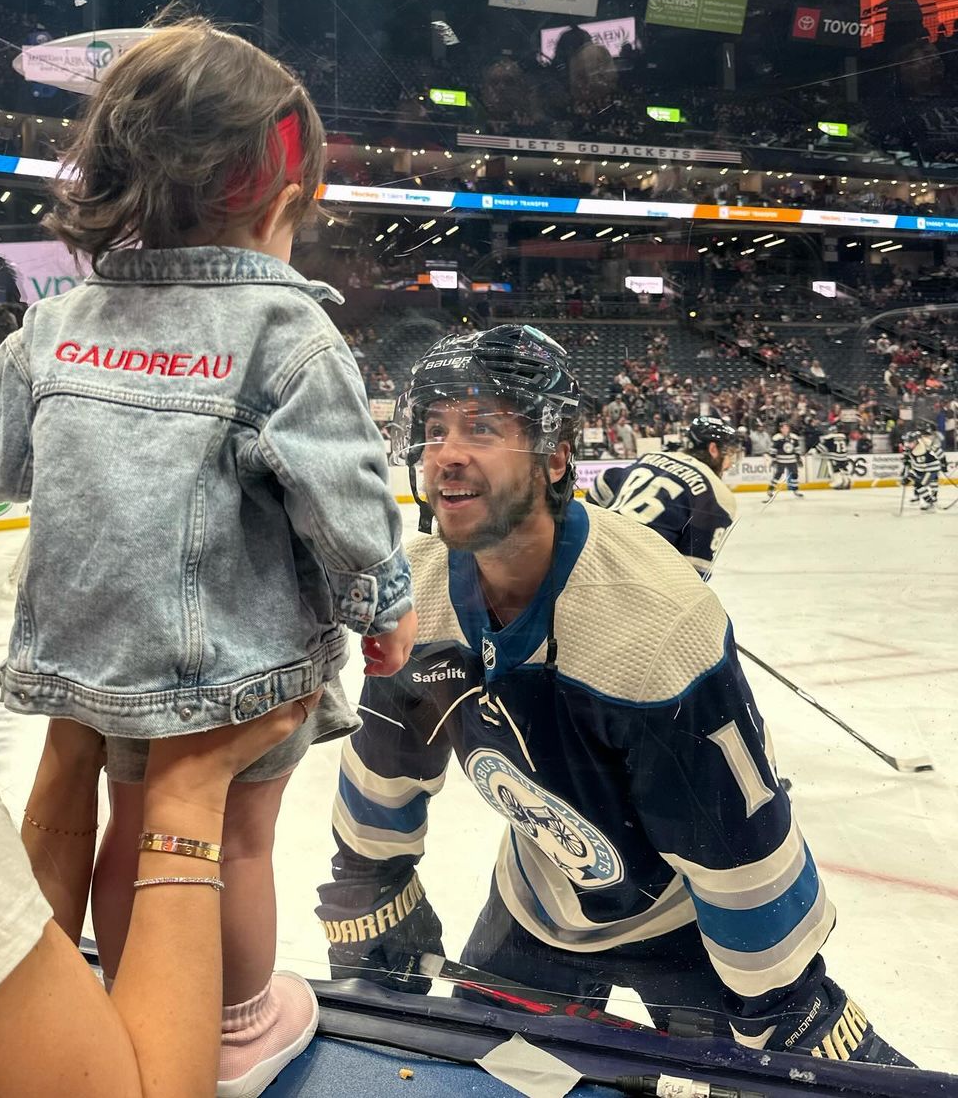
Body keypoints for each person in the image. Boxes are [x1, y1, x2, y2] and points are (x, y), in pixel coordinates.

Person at [0, 16, 417, 1098]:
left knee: (123, 817)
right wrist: (380, 604)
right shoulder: (286, 331)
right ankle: (235, 1028)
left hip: (88, 653)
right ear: (272, 194)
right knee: (233, 843)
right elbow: (342, 497)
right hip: (230, 665)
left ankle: (122, 1001)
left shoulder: (58, 320)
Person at [316, 326, 912, 1067]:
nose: (447, 452)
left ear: (557, 454)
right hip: (539, 899)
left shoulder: (656, 631)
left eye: (482, 427)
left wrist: (779, 1001)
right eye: (434, 429)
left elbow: (737, 848)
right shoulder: (420, 589)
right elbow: (385, 762)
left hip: (691, 925)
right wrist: (371, 881)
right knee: (479, 1081)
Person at [0, 698, 316, 1098]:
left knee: (130, 828)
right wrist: (191, 793)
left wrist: (70, 753)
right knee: (240, 840)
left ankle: (131, 1002)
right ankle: (238, 1035)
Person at [586, 415, 740, 577]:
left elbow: (600, 486)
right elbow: (694, 573)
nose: (730, 464)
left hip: (591, 558)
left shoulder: (650, 457)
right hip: (636, 578)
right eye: (730, 454)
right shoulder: (718, 496)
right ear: (713, 449)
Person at [900, 422, 947, 512]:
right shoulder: (908, 445)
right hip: (919, 468)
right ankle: (930, 499)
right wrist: (905, 460)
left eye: (910, 442)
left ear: (916, 441)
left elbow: (939, 453)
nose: (907, 444)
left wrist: (944, 464)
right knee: (913, 481)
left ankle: (930, 502)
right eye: (906, 442)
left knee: (920, 484)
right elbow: (906, 454)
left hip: (930, 468)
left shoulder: (925, 444)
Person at [765, 420, 803, 502]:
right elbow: (773, 450)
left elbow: (797, 449)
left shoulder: (794, 437)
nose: (785, 429)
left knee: (795, 474)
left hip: (792, 460)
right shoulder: (777, 437)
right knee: (778, 474)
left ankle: (795, 490)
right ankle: (770, 489)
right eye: (783, 428)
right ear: (780, 429)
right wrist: (774, 459)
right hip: (781, 460)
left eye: (787, 427)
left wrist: (798, 458)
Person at [816, 426, 853, 490]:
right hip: (844, 456)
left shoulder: (829, 437)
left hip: (835, 457)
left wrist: (816, 451)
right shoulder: (843, 436)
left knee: (836, 470)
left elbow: (822, 448)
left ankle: (839, 482)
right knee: (844, 469)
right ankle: (847, 481)